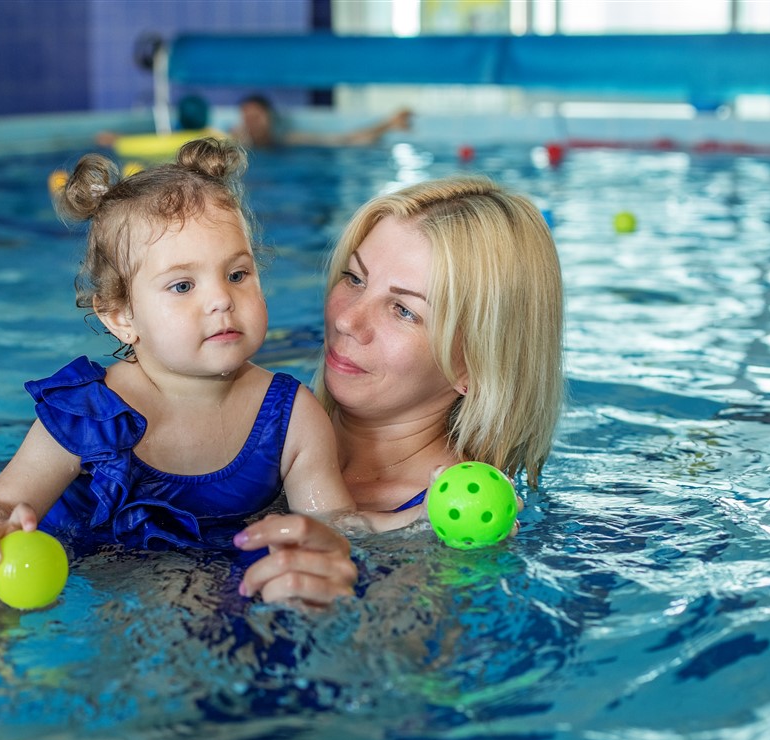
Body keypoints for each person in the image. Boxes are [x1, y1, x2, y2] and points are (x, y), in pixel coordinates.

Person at [0, 137, 371, 604]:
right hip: (83, 577)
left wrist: (413, 524)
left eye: (237, 274)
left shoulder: (292, 417)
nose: (220, 299)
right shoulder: (89, 413)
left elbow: (336, 531)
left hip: (206, 586)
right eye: (182, 285)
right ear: (121, 317)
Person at [233, 176, 564, 606]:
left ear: (477, 366)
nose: (348, 320)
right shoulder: (257, 418)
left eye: (404, 310)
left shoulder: (446, 535)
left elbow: (404, 667)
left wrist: (340, 609)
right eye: (354, 278)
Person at [232, 94, 413, 150]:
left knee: (353, 142)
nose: (252, 123)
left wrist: (387, 124)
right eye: (247, 118)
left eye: (256, 117)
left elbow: (343, 139)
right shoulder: (235, 143)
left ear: (269, 117)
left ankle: (391, 123)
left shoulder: (289, 139)